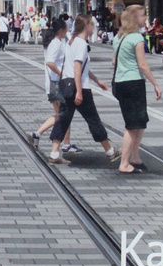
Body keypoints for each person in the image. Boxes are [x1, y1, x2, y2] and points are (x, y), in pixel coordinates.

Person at [47, 14, 117, 166]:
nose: (94, 27)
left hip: (67, 85)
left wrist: (97, 80)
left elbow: (80, 68)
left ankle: (54, 153)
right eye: (92, 24)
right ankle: (110, 151)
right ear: (86, 26)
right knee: (93, 119)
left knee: (63, 119)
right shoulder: (81, 44)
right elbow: (77, 68)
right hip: (79, 88)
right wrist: (79, 91)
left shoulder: (71, 43)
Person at [111, 6, 163, 174]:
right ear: (134, 18)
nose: (145, 18)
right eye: (143, 15)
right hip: (133, 83)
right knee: (133, 126)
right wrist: (155, 83)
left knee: (139, 122)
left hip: (120, 83)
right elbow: (142, 64)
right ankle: (124, 163)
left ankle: (135, 157)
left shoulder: (119, 37)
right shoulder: (136, 38)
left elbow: (114, 62)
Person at [31, 16, 70, 149]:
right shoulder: (56, 43)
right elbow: (50, 62)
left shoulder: (57, 42)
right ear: (61, 30)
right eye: (66, 28)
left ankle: (65, 143)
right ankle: (40, 134)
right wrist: (62, 74)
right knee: (64, 115)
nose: (67, 30)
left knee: (63, 115)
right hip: (56, 84)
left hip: (54, 83)